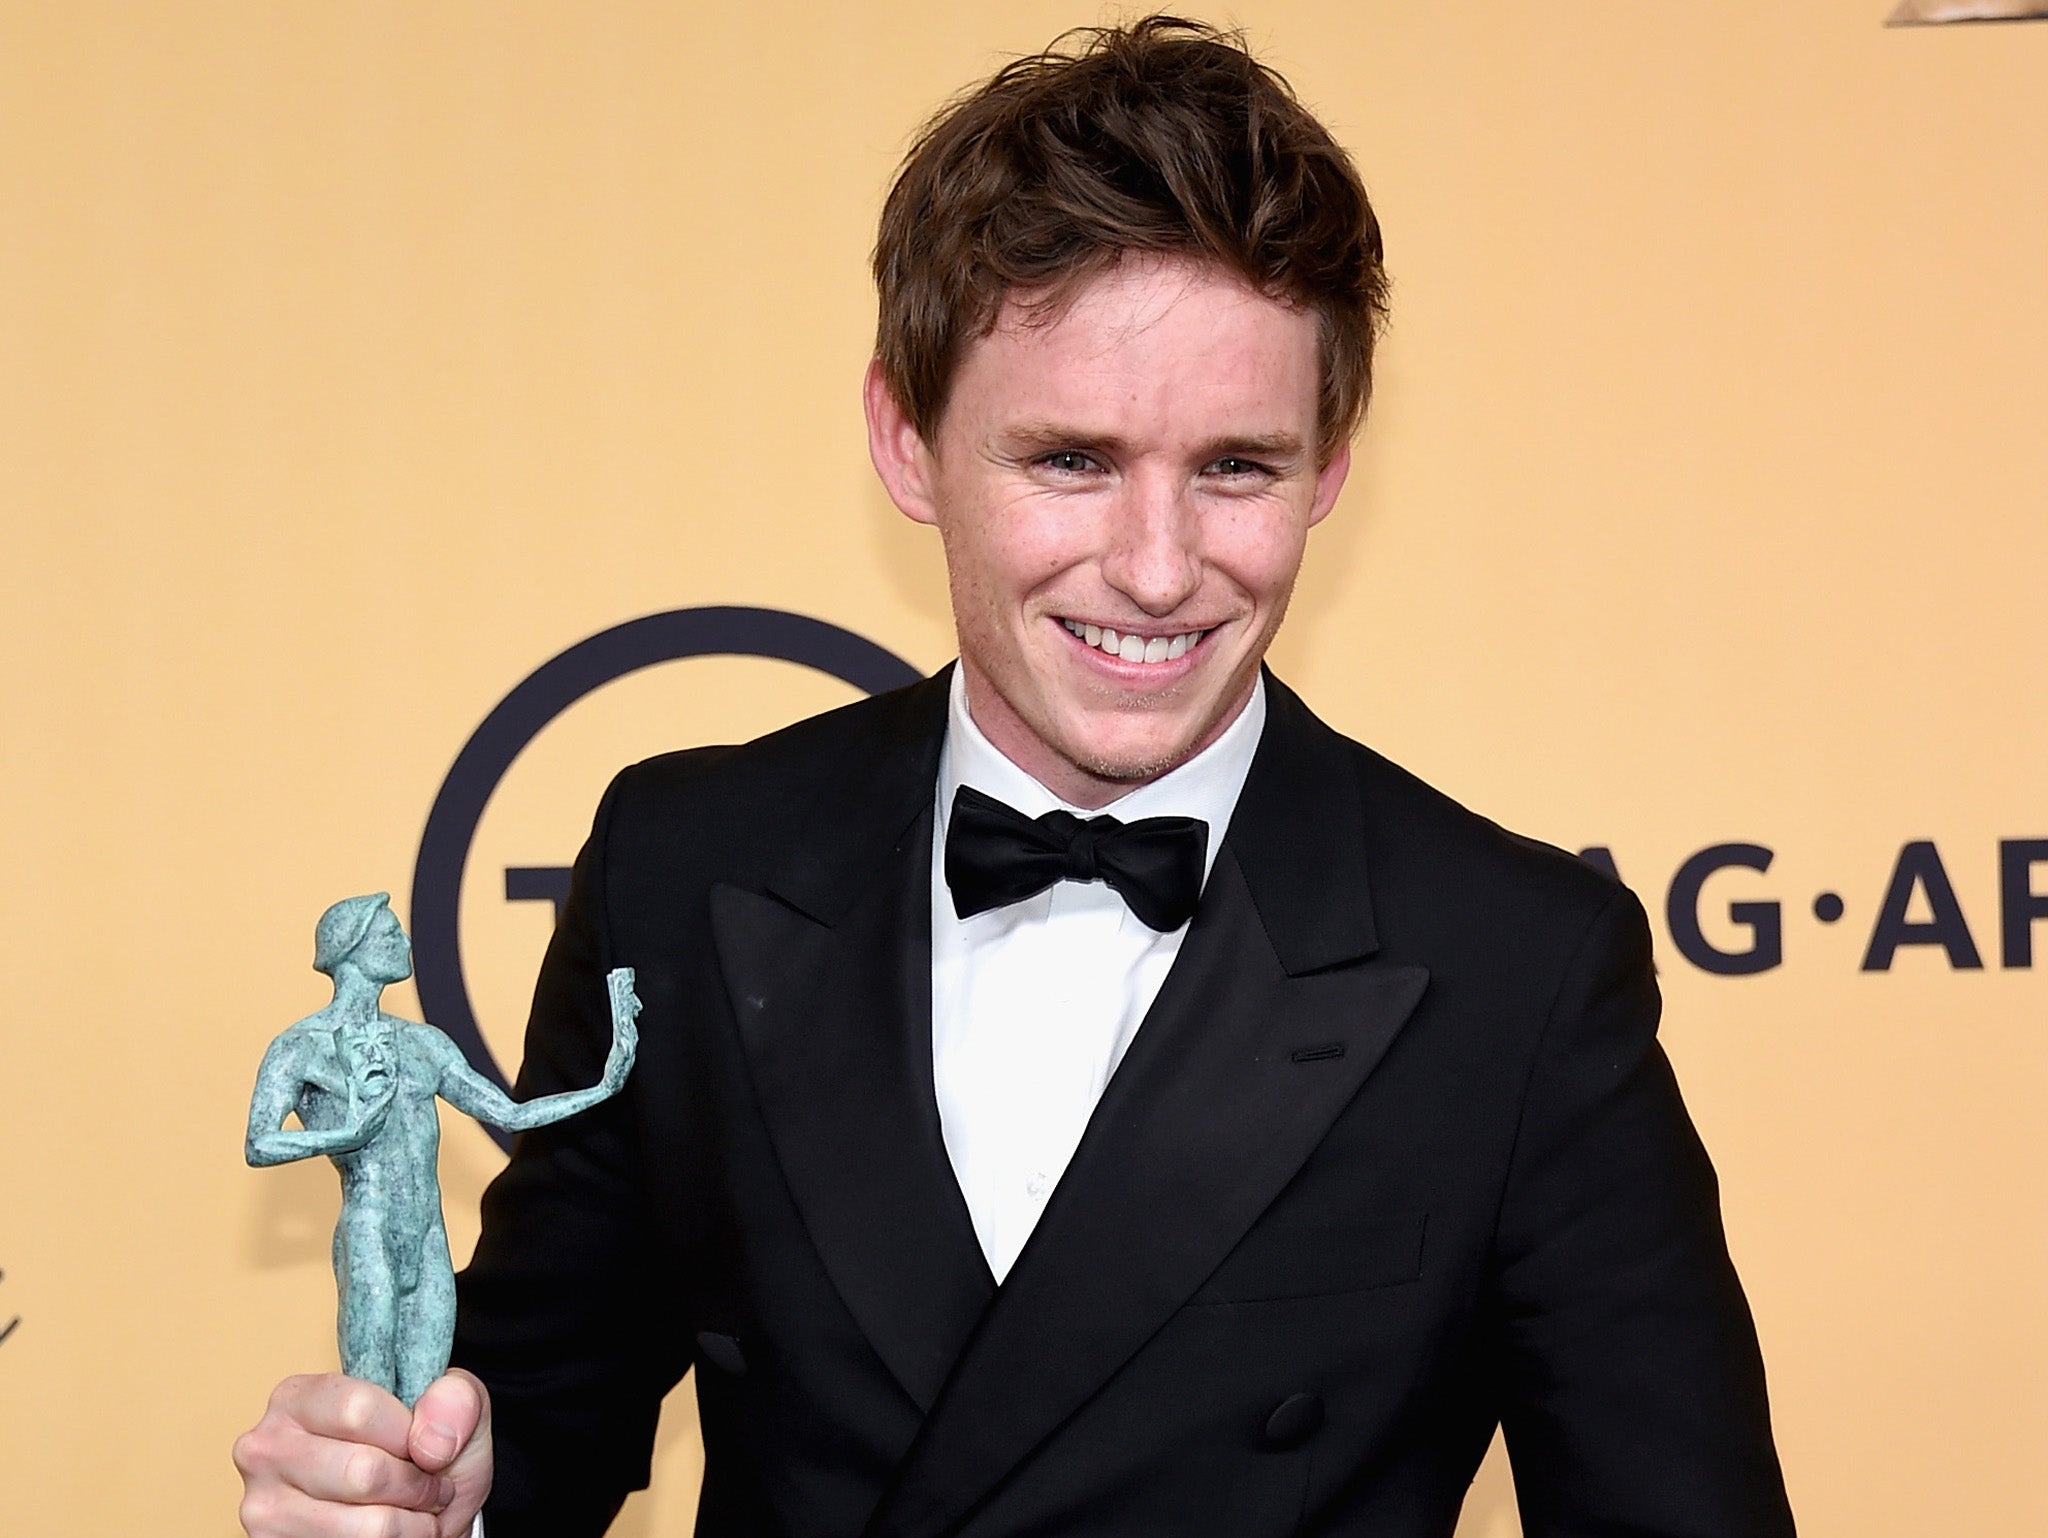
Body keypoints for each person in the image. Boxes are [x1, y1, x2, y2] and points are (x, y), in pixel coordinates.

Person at [235, 17, 1796, 1537]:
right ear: (906, 443)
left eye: (1236, 467)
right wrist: (420, 1490)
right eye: (1073, 461)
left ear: (1329, 466)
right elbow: (539, 1418)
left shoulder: (1513, 965)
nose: (1161, 567)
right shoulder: (687, 860)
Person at [242, 896, 639, 1410]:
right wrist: (346, 1134)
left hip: (429, 1235)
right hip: (369, 1228)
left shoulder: (423, 1044)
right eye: (389, 935)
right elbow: (259, 1142)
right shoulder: (300, 1048)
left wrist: (603, 1086)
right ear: (350, 951)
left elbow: (509, 1114)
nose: (404, 942)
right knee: (373, 1412)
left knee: (426, 1413)